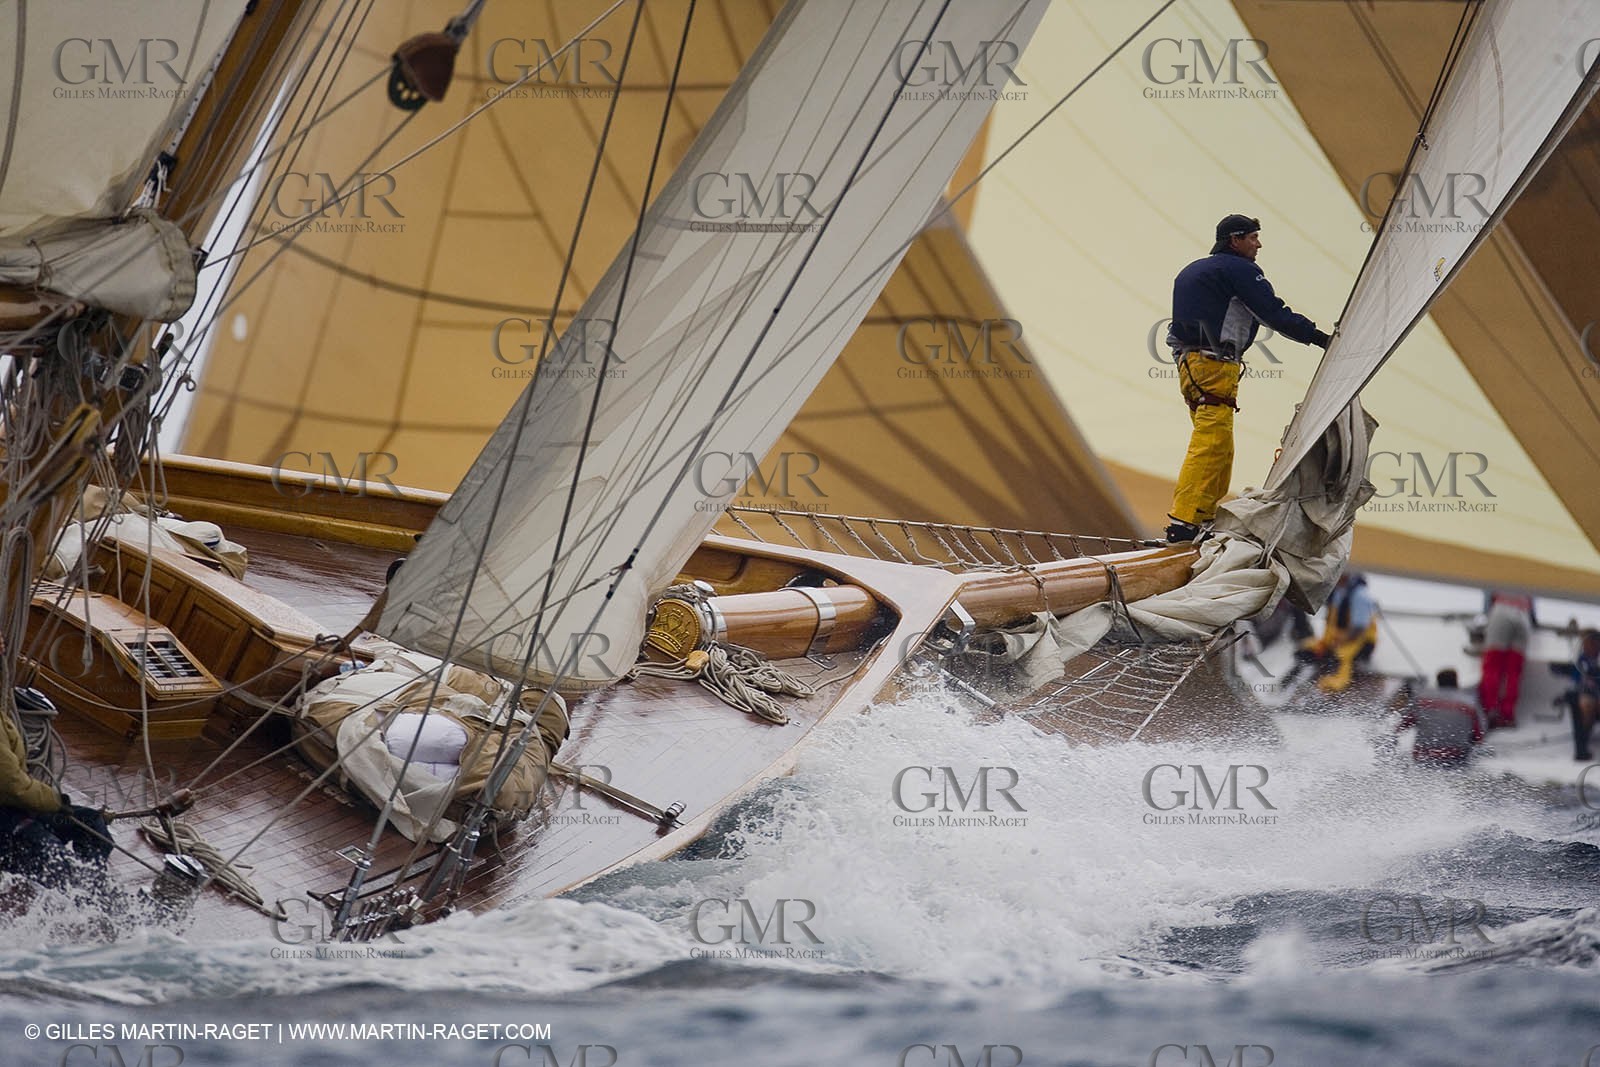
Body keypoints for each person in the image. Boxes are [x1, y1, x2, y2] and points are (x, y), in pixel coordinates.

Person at [1164, 213, 1331, 543]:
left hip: (1190, 366)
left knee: (1220, 445)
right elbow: (1274, 313)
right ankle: (1183, 523)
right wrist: (1321, 339)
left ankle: (1201, 520)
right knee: (1211, 444)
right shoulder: (1240, 270)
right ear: (1234, 240)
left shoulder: (1193, 270)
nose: (1258, 244)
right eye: (1253, 237)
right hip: (1213, 366)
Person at [0, 695, 111, 889]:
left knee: (91, 825)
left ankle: (91, 893)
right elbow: (12, 785)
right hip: (6, 816)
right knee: (55, 859)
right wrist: (57, 802)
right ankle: (71, 893)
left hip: (16, 807)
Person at [1284, 570, 1379, 693]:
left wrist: (1340, 641)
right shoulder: (1339, 591)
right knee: (1305, 652)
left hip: (1356, 643)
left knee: (1337, 661)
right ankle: (1290, 687)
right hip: (1333, 640)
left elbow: (1359, 628)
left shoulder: (1360, 595)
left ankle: (1327, 694)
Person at [1396, 668, 1486, 766]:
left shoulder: (1422, 700)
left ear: (1438, 682)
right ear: (1456, 682)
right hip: (1456, 757)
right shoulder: (1469, 704)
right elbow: (1479, 737)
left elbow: (1401, 726)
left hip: (1423, 756)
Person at [1478, 590, 1534, 729]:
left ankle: (1490, 712)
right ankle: (1507, 715)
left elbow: (1489, 597)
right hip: (1523, 614)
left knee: (1492, 667)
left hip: (1501, 610)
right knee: (1514, 671)